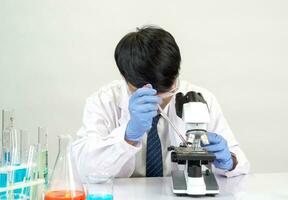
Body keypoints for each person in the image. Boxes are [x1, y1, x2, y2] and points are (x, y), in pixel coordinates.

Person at [72, 26, 250, 180]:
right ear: (126, 80)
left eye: (166, 92)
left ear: (176, 75)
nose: (158, 101)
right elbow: (84, 170)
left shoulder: (202, 99)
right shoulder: (104, 101)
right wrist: (127, 136)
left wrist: (230, 161)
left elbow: (241, 165)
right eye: (146, 94)